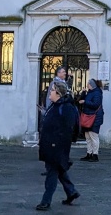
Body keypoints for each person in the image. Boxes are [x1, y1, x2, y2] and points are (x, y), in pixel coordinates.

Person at [36, 81, 79, 211]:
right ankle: (71, 192)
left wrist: (57, 142)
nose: (50, 93)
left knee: (52, 172)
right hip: (50, 144)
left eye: (52, 90)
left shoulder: (66, 108)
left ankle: (45, 201)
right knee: (59, 169)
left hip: (56, 146)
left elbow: (69, 127)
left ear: (58, 93)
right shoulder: (54, 106)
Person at [78, 79, 104, 162]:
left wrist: (85, 102)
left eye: (88, 84)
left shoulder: (97, 93)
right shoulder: (90, 92)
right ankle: (89, 153)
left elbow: (96, 104)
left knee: (93, 136)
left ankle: (95, 154)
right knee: (88, 137)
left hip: (94, 117)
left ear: (91, 85)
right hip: (88, 117)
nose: (87, 85)